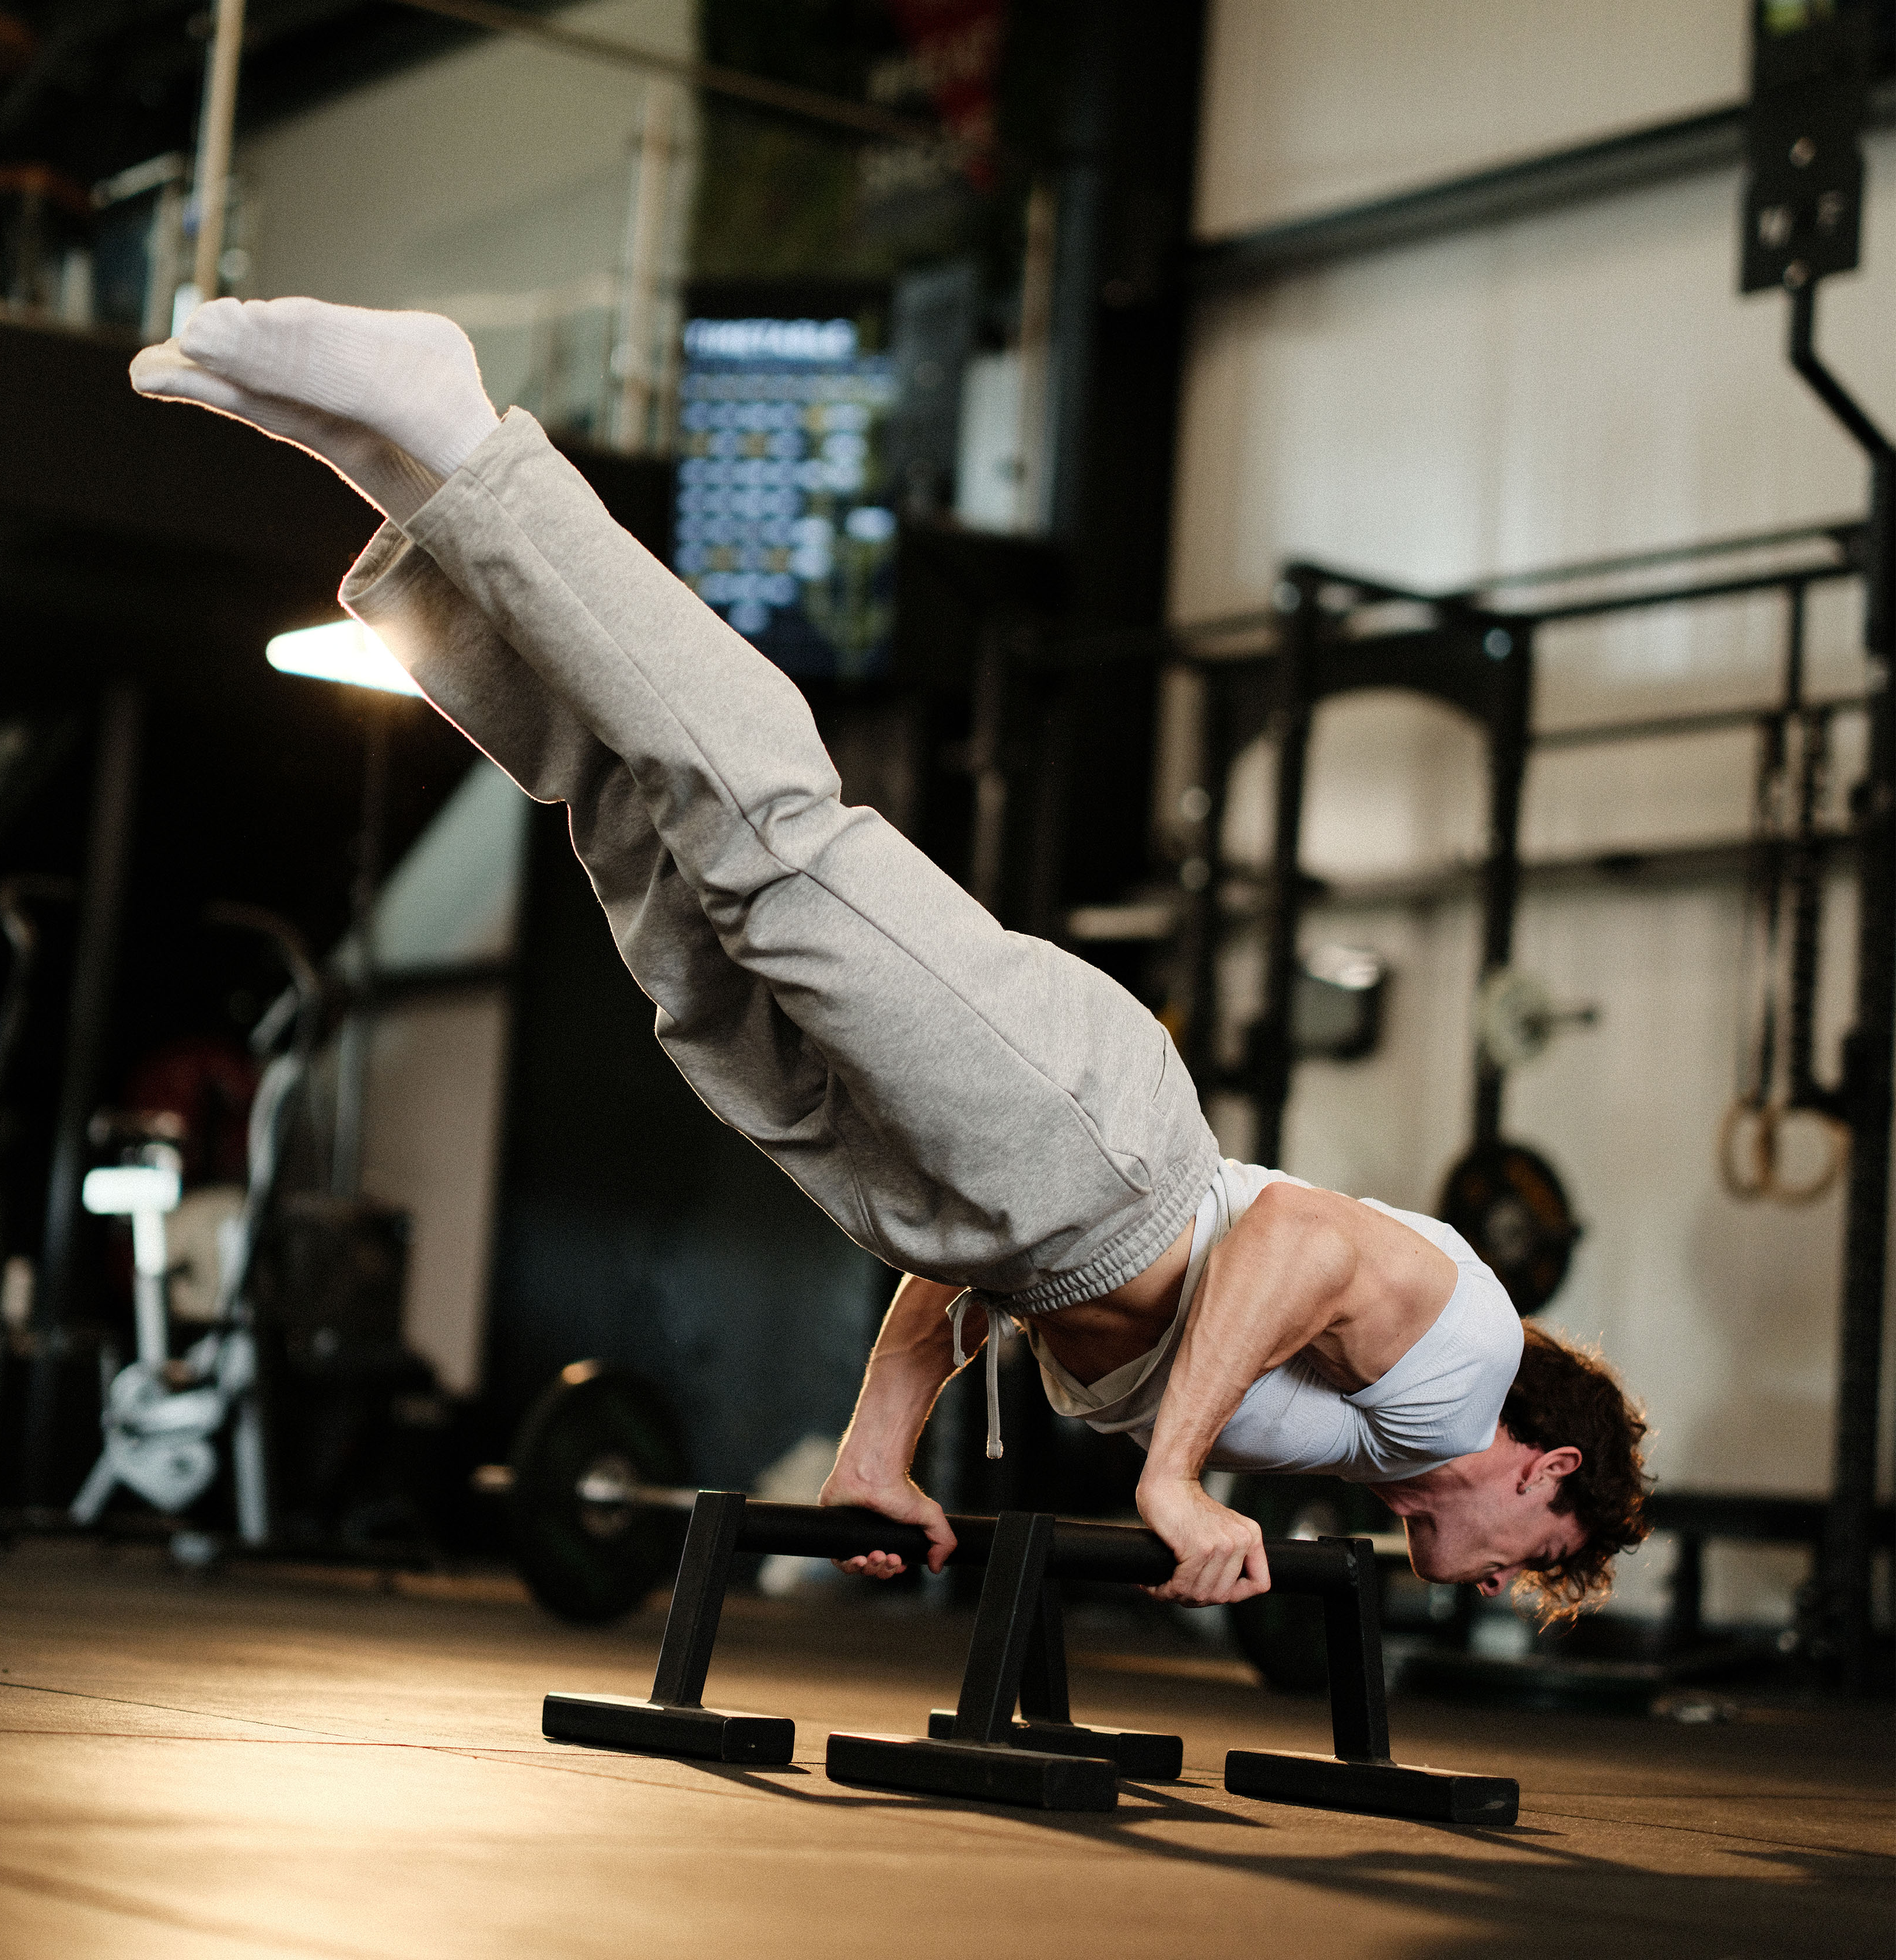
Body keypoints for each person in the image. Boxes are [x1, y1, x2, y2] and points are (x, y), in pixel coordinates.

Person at [130, 298, 1650, 1618]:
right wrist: (1174, 1480)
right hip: (1102, 1148)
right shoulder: (1458, 1371)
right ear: (1549, 1469)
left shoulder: (1370, 1440)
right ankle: (453, 421)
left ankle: (392, 468)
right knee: (771, 843)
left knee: (655, 875)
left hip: (1025, 1207)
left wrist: (878, 1451)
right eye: (1540, 1558)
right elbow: (1295, 1240)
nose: (1508, 1580)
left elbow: (997, 1257)